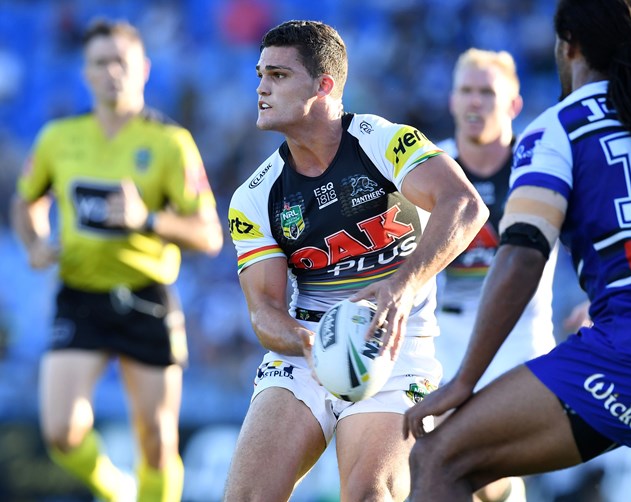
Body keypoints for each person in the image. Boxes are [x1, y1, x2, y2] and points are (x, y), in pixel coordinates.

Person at [404, 0, 631, 501]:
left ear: (569, 44)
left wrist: (465, 381)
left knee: (437, 458)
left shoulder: (556, 127)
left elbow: (523, 254)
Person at [223, 20, 487, 501]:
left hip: (398, 350)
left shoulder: (384, 142)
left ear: (324, 85)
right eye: (260, 74)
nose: (261, 87)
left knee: (370, 496)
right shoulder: (254, 197)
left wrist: (400, 289)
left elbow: (465, 206)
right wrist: (309, 343)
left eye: (279, 76)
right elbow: (263, 309)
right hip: (304, 353)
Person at [10, 18, 224, 502]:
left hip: (145, 298)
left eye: (120, 62)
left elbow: (210, 234)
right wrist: (36, 242)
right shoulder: (58, 138)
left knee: (156, 445)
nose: (111, 73)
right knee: (62, 433)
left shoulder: (171, 144)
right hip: (80, 295)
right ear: (85, 72)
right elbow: (26, 202)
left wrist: (146, 219)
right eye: (99, 63)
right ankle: (118, 494)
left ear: (143, 69)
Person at [434, 48, 557, 502]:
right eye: (466, 90)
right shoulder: (428, 169)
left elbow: (589, 237)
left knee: (467, 463)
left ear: (513, 105)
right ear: (451, 100)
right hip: (441, 340)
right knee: (441, 467)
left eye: (487, 92)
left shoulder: (541, 165)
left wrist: (596, 303)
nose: (475, 102)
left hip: (520, 341)